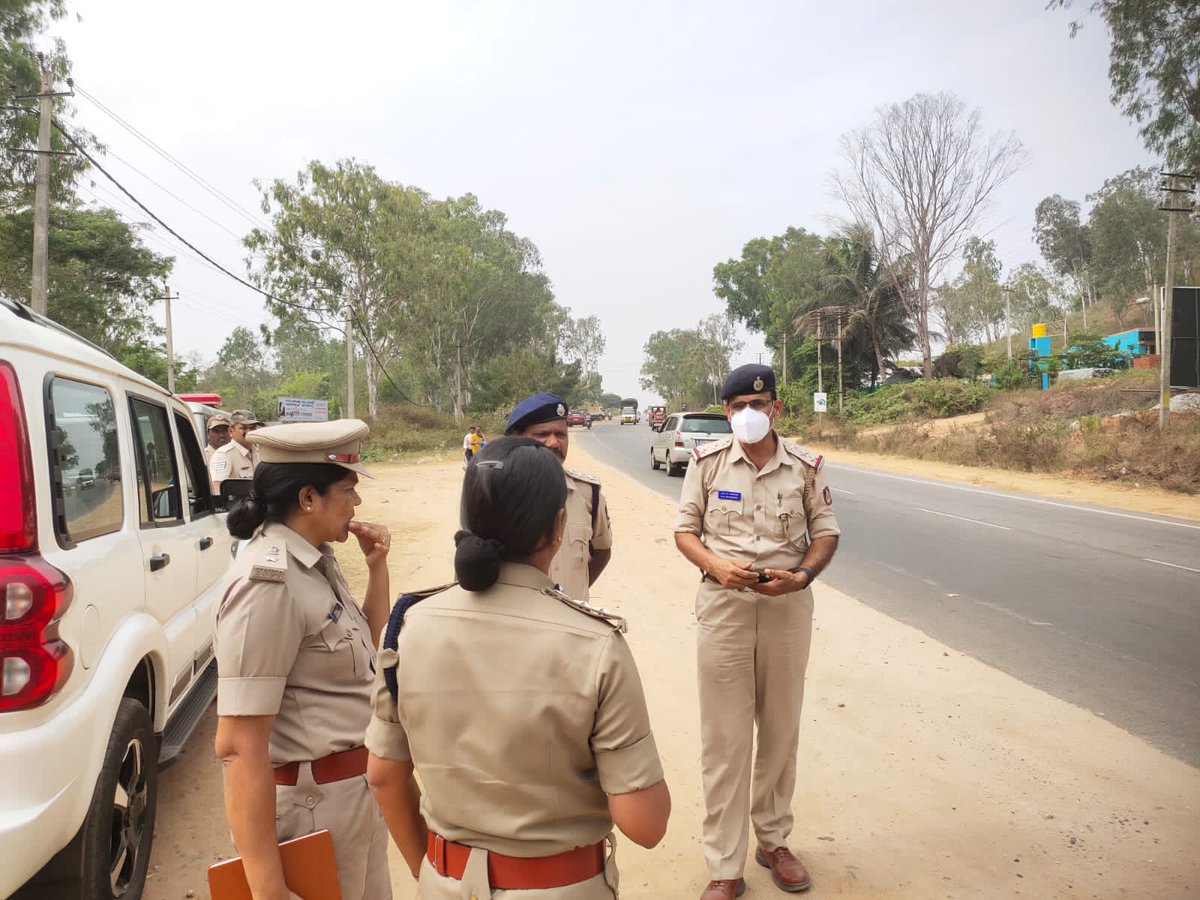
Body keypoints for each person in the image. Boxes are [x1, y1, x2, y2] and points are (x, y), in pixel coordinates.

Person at [365, 436, 670, 899]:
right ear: (559, 524)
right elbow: (645, 825)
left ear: (467, 520)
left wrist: (433, 872)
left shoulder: (409, 628)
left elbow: (385, 774)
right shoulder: (595, 644)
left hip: (443, 883)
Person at [673, 364, 840, 900]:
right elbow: (684, 531)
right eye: (739, 405)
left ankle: (774, 841)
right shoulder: (706, 464)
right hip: (724, 607)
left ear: (777, 408)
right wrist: (716, 567)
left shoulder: (806, 468)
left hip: (787, 609)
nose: (750, 413)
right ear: (726, 412)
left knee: (780, 730)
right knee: (724, 739)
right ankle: (725, 865)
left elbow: (827, 534)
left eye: (759, 404)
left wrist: (804, 575)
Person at [213, 419, 393, 900]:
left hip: (355, 796)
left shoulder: (314, 560)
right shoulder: (266, 583)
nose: (357, 503)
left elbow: (366, 659)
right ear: (309, 498)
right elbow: (238, 746)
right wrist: (268, 890)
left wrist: (378, 571)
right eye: (349, 489)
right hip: (315, 809)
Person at [504, 393, 612, 602]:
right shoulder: (496, 493)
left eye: (561, 434)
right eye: (542, 434)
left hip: (570, 625)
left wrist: (571, 596)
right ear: (517, 439)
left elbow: (602, 552)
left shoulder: (588, 493)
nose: (553, 443)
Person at [210, 409, 263, 493]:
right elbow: (217, 489)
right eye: (243, 428)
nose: (249, 432)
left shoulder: (260, 452)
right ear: (231, 431)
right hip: (237, 505)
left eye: (252, 428)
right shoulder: (223, 455)